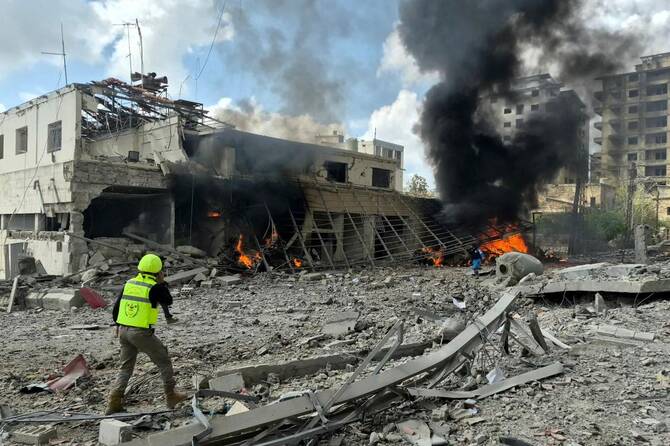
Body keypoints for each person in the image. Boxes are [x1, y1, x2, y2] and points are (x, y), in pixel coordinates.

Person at [105, 253, 187, 415]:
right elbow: (168, 300)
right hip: (140, 333)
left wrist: (117, 324)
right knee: (164, 361)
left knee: (125, 367)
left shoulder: (129, 283)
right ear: (158, 271)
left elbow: (117, 307)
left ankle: (114, 401)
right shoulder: (155, 287)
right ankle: (171, 396)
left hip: (124, 331)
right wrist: (162, 283)